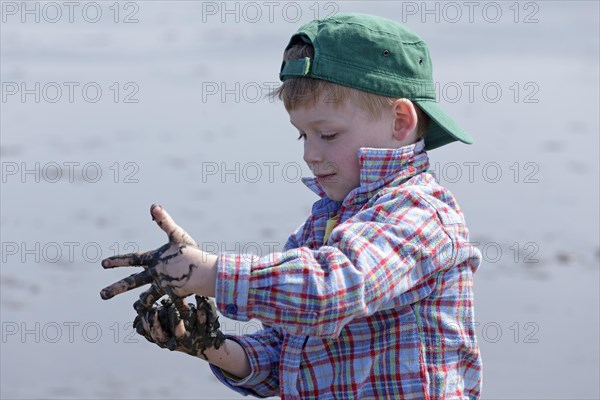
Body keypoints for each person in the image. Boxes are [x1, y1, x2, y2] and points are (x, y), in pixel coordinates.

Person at [100, 13, 483, 399]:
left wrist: (211, 273)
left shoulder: (418, 213)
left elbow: (333, 291)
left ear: (400, 122)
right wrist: (211, 347)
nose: (310, 154)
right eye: (302, 135)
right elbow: (287, 356)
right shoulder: (322, 226)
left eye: (327, 134)